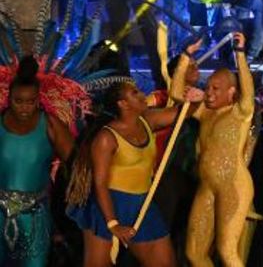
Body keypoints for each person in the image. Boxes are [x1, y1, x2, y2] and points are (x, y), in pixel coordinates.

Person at [66, 79, 192, 267]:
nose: (143, 96)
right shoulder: (106, 138)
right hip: (108, 206)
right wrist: (112, 224)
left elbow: (182, 113)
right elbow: (100, 183)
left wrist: (195, 98)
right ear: (122, 104)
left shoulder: (147, 120)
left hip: (141, 204)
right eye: (135, 93)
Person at [168, 32, 255, 267]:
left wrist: (240, 55)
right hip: (207, 186)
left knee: (227, 251)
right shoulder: (204, 113)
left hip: (233, 185)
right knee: (194, 253)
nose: (209, 93)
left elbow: (248, 92)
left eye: (217, 89)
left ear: (231, 93)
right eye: (208, 87)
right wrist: (186, 56)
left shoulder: (240, 113)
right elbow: (176, 94)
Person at [0, 56, 76, 267]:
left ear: (38, 99)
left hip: (35, 217)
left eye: (31, 102)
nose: (24, 107)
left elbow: (77, 167)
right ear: (9, 98)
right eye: (18, 101)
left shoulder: (51, 125)